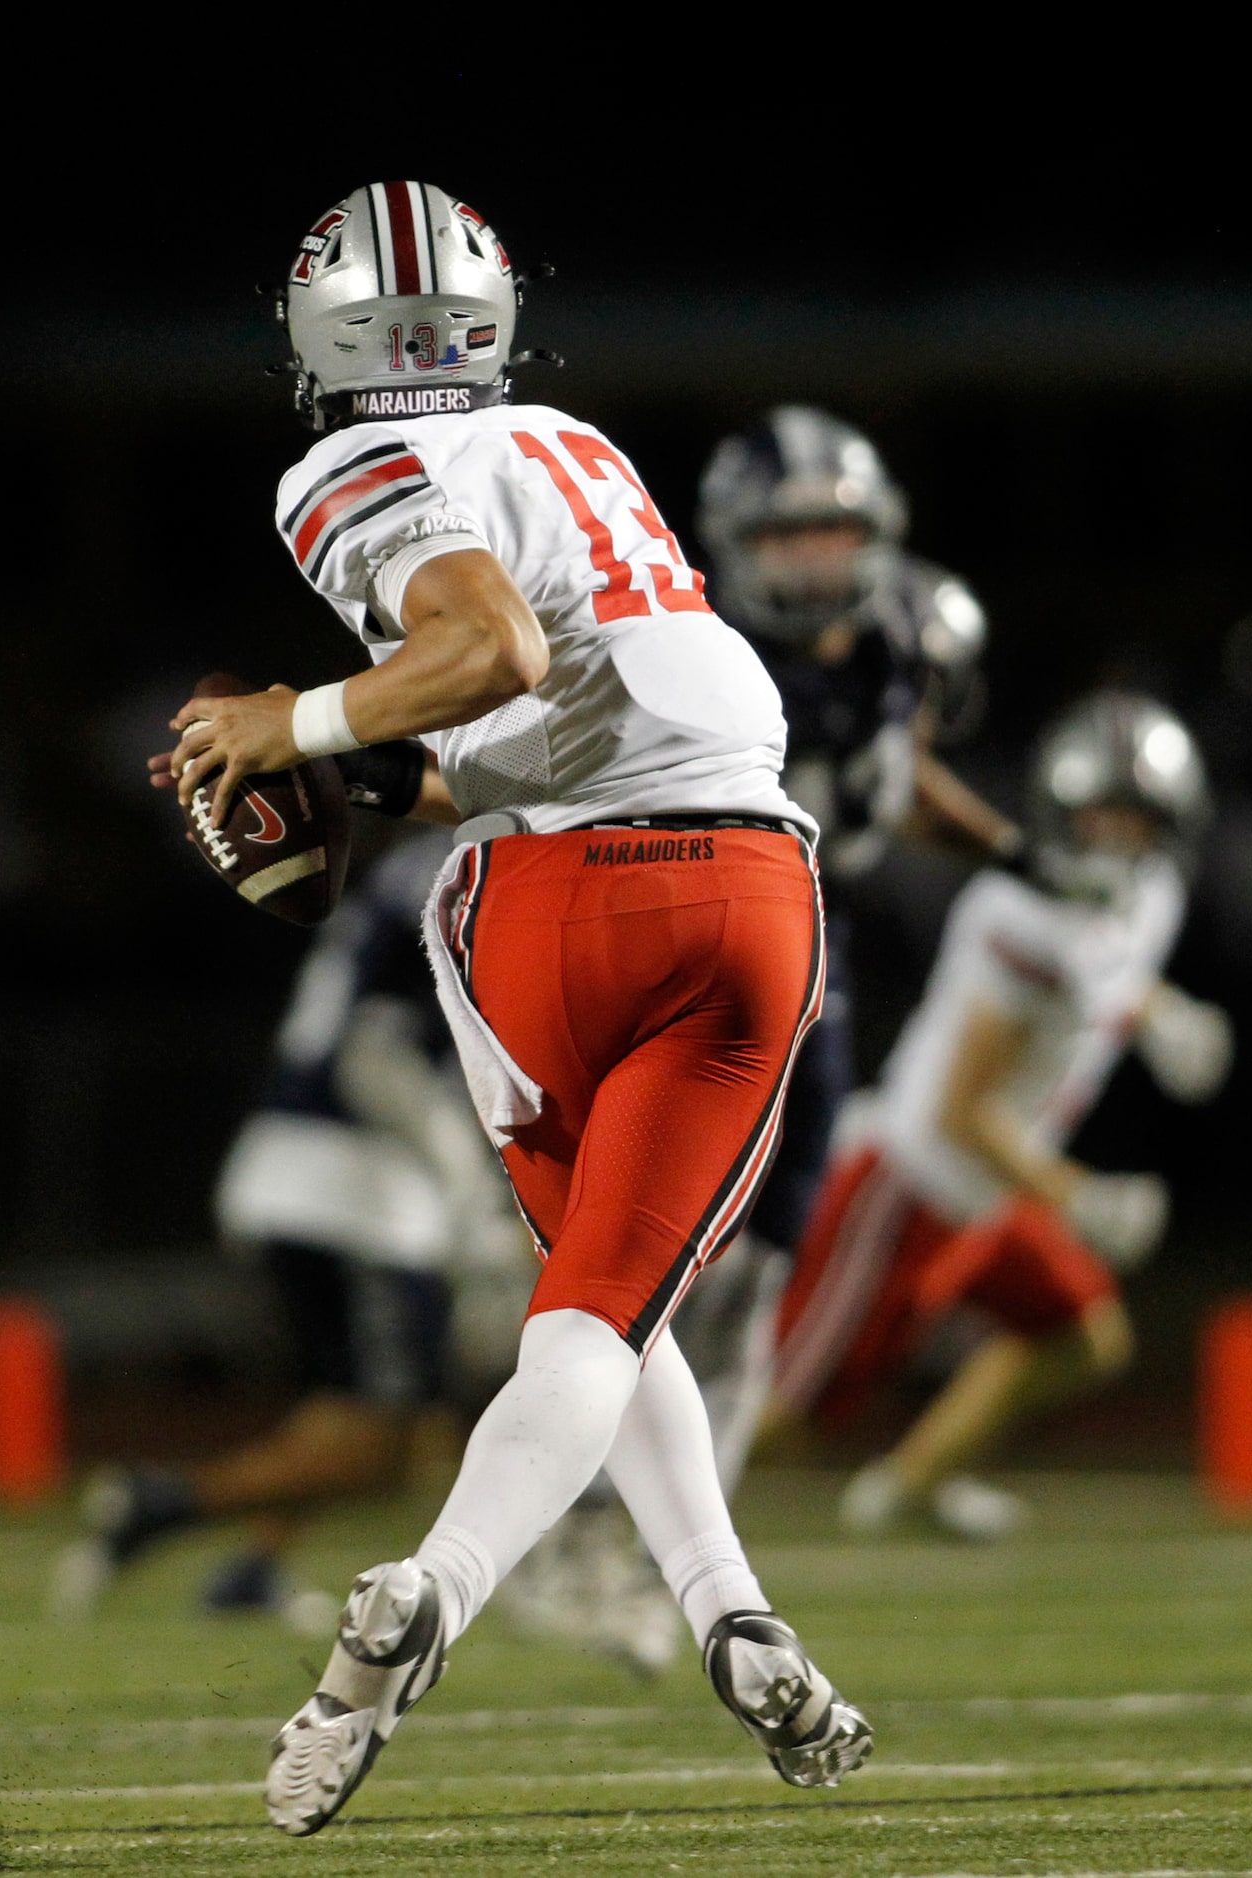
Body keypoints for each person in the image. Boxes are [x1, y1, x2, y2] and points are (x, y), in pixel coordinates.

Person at [154, 181, 872, 1837]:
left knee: (600, 1312)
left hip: (547, 912)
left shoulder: (339, 466)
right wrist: (321, 738)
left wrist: (301, 722)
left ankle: (547, 1599)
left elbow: (490, 656)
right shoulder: (568, 443)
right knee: (607, 1312)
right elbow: (522, 676)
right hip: (734, 891)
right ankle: (589, 1598)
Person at [495, 410, 1019, 1665]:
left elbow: (896, 771)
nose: (815, 558)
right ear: (734, 541)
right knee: (645, 1278)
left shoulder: (892, 643)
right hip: (684, 979)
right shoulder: (691, 654)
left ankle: (672, 1560)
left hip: (805, 987)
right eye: (788, 532)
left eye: (834, 528)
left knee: (759, 1280)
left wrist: (1009, 846)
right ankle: (568, 1529)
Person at [767, 691, 1233, 1537]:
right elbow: (960, 1114)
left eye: (1137, 821)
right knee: (787, 1416)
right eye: (1100, 820)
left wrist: (1158, 1014)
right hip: (909, 1185)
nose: (1118, 842)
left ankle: (908, 1487)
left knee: (1082, 1336)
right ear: (1060, 816)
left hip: (982, 1195)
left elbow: (1104, 972)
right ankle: (597, 1511)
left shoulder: (1150, 893)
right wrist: (1075, 1197)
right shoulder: (1017, 914)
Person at [49, 827, 532, 1631]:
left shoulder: (433, 863)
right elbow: (375, 1052)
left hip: (316, 1169)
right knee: (386, 1437)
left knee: (354, 1408)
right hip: (355, 1185)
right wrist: (474, 1195)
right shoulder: (476, 866)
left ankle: (252, 1566)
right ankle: (159, 1503)